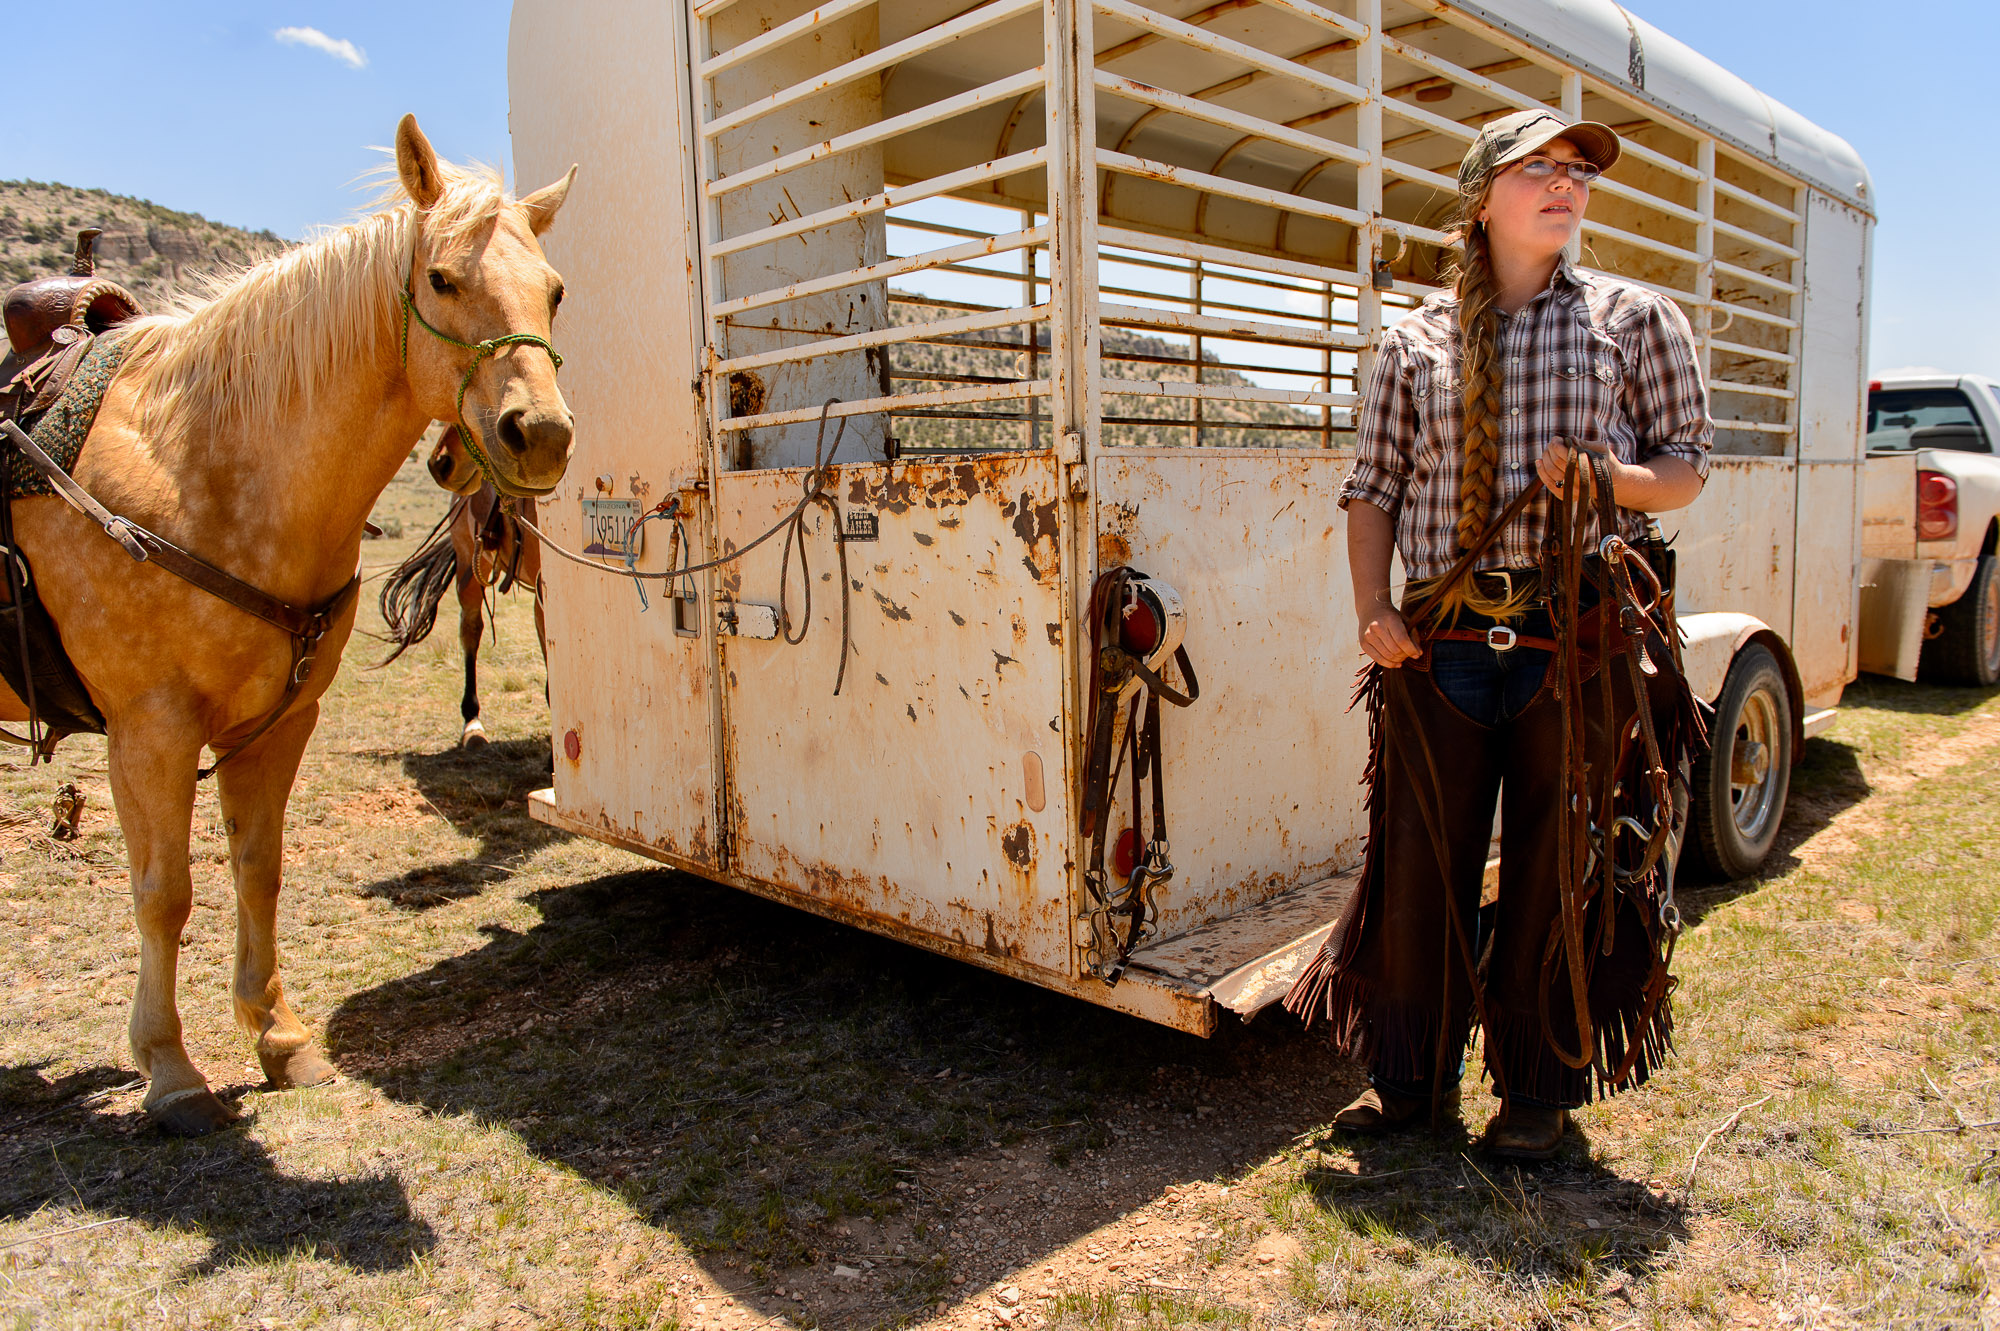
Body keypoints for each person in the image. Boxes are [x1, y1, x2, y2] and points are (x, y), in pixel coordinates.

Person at [1283, 108, 1712, 1159]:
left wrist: (1604, 477)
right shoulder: (1412, 340)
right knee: (1417, 862)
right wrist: (1371, 607)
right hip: (1437, 643)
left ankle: (1535, 1097)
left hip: (1578, 636)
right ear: (1483, 198)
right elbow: (1373, 484)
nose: (1564, 186)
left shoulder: (1634, 319)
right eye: (1538, 170)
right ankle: (1408, 1084)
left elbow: (1686, 465)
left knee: (1554, 864)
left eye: (1575, 172)